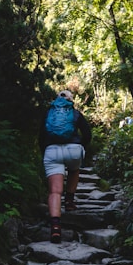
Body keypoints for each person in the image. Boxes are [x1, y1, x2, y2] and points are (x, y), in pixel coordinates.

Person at [39, 90, 91, 243]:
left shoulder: (48, 113)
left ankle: (55, 228)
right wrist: (80, 146)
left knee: (54, 191)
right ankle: (69, 201)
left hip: (51, 150)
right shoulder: (75, 114)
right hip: (73, 150)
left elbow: (41, 136)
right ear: (71, 100)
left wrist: (45, 151)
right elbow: (87, 135)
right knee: (74, 168)